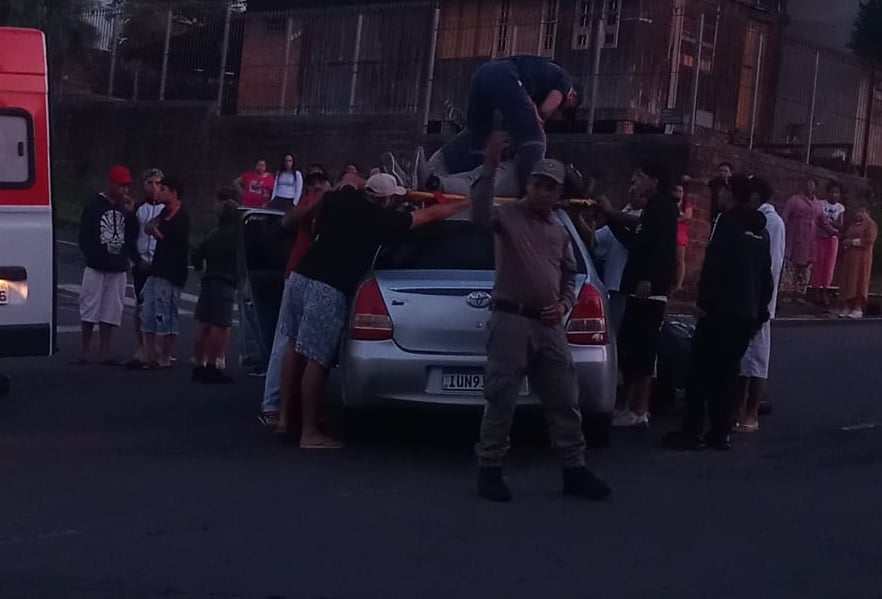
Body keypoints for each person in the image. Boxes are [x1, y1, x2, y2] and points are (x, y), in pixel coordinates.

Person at [277, 174, 469, 448]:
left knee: (294, 347)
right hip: (329, 286)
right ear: (387, 199)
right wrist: (464, 204)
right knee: (316, 358)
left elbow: (348, 181)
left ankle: (285, 418)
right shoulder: (383, 221)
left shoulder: (342, 198)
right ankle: (309, 432)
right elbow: (431, 216)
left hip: (301, 276)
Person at [469, 138, 610, 503]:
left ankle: (574, 469)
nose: (542, 191)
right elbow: (480, 213)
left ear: (558, 192)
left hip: (548, 325)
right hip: (510, 320)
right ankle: (490, 469)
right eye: (537, 184)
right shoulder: (508, 215)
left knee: (565, 398)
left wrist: (563, 304)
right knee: (501, 398)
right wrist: (489, 167)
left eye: (549, 186)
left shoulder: (559, 231)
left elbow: (569, 274)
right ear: (528, 185)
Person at [664, 175, 773, 451]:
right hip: (746, 313)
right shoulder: (762, 231)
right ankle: (720, 432)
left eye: (721, 191)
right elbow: (766, 276)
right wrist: (760, 313)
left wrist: (704, 301)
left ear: (730, 193)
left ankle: (692, 432)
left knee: (699, 371)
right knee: (727, 373)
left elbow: (715, 265)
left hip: (720, 310)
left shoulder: (727, 223)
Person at [603, 164, 678, 429]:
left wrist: (648, 277)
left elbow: (662, 247)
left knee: (643, 353)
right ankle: (629, 406)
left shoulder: (663, 209)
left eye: (640, 177)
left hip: (650, 293)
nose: (635, 181)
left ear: (655, 180)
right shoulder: (652, 209)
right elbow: (635, 240)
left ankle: (639, 409)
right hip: (637, 288)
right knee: (631, 349)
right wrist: (610, 217)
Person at [434, 55, 579, 192]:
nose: (558, 113)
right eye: (563, 110)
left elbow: (520, 112)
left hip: (482, 74)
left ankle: (433, 170)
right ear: (572, 97)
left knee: (479, 136)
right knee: (535, 140)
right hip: (505, 76)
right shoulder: (564, 81)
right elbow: (544, 111)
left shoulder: (540, 76)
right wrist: (539, 129)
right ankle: (528, 189)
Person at [259, 171, 333, 429]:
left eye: (320, 183)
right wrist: (320, 200)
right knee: (286, 341)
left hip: (318, 278)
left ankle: (293, 408)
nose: (316, 187)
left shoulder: (338, 206)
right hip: (299, 275)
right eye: (312, 184)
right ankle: (272, 405)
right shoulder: (311, 204)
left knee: (306, 345)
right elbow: (288, 222)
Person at [73, 166, 142, 365]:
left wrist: (131, 214)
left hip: (118, 266)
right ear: (110, 183)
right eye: (121, 185)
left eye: (127, 186)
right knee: (89, 307)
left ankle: (105, 351)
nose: (124, 190)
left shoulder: (124, 207)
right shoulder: (94, 205)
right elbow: (85, 235)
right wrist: (93, 255)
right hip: (97, 265)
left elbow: (131, 235)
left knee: (111, 311)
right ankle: (85, 350)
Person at [735, 176, 785, 433]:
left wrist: (762, 302)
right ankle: (738, 409)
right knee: (743, 358)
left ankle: (752, 412)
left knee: (757, 358)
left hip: (761, 301)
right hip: (745, 299)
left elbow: (772, 266)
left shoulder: (772, 222)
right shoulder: (750, 217)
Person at [141, 176, 190, 369]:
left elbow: (171, 239)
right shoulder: (163, 212)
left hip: (171, 271)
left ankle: (165, 354)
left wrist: (157, 231)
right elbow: (149, 227)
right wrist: (155, 229)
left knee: (166, 313)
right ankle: (150, 353)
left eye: (163, 189)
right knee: (148, 310)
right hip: (157, 268)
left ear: (174, 192)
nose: (158, 192)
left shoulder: (182, 216)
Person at [191, 196, 240, 384]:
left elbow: (196, 256)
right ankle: (212, 365)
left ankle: (199, 365)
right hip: (225, 281)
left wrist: (202, 273)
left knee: (204, 323)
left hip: (209, 279)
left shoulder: (215, 235)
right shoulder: (236, 235)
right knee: (220, 325)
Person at [588, 181, 645, 336]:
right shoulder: (624, 211)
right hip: (610, 286)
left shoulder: (644, 218)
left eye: (638, 184)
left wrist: (610, 213)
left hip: (626, 290)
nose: (633, 188)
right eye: (631, 184)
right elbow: (596, 241)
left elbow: (631, 237)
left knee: (615, 335)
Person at [127, 168, 165, 369]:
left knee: (159, 305)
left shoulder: (167, 209)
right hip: (141, 262)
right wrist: (136, 258)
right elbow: (130, 237)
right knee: (141, 305)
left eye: (158, 183)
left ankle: (157, 347)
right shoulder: (138, 208)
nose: (153, 187)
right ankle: (142, 346)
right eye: (150, 183)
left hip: (159, 264)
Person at [781, 177, 821, 300]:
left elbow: (823, 221)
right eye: (807, 184)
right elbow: (784, 218)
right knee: (791, 264)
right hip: (795, 236)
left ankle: (800, 293)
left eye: (812, 185)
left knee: (805, 266)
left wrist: (835, 232)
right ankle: (786, 293)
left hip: (809, 240)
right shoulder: (794, 200)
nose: (810, 187)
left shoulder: (817, 204)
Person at [837, 202, 878, 319]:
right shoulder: (853, 224)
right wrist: (846, 243)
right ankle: (848, 305)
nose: (858, 213)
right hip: (850, 258)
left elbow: (869, 240)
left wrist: (853, 242)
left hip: (862, 259)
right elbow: (847, 235)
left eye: (861, 211)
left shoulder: (870, 224)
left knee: (859, 281)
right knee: (849, 281)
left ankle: (857, 307)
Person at [811, 181, 846, 292]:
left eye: (837, 192)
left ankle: (825, 288)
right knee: (818, 262)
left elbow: (840, 225)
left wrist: (827, 222)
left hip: (833, 239)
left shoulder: (840, 207)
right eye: (832, 192)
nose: (834, 195)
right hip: (820, 237)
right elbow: (818, 220)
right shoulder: (821, 204)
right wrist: (830, 222)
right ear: (827, 192)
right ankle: (816, 287)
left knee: (829, 264)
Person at [673, 182, 693, 293]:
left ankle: (679, 284)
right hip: (672, 232)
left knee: (680, 259)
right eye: (677, 190)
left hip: (681, 233)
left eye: (681, 191)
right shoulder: (671, 203)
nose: (679, 193)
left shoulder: (687, 205)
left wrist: (675, 219)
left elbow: (688, 216)